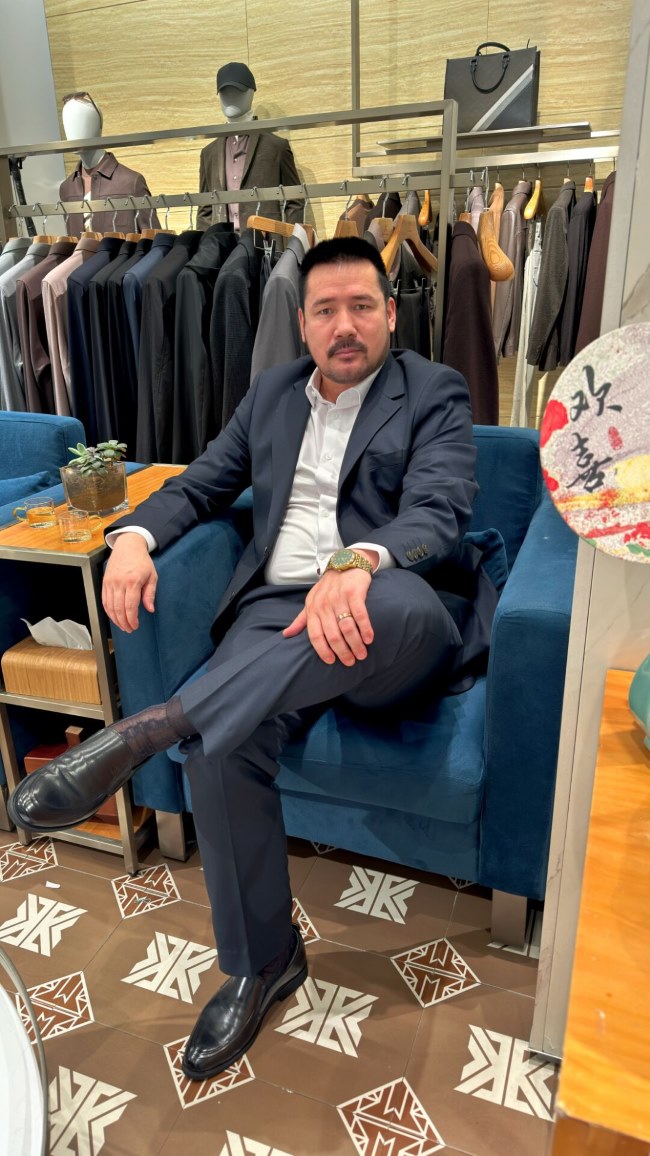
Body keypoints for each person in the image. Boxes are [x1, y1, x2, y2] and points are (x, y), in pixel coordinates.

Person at [9, 237, 498, 1081]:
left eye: (362, 306)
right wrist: (133, 539)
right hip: (278, 615)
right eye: (325, 310)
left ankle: (149, 729)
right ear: (301, 323)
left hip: (390, 608)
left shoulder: (432, 391)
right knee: (220, 746)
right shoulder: (271, 393)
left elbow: (439, 510)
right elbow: (201, 483)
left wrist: (357, 562)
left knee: (387, 604)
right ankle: (263, 961)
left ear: (390, 313)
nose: (345, 326)